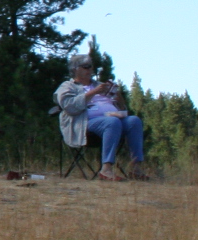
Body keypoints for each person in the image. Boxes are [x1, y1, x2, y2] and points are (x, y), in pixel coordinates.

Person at [54, 52, 146, 181]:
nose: (90, 69)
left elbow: (122, 109)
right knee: (112, 122)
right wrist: (93, 93)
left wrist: (119, 98)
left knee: (134, 121)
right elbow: (69, 106)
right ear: (75, 69)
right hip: (85, 124)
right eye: (86, 66)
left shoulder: (100, 85)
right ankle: (106, 169)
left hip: (113, 121)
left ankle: (135, 167)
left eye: (91, 66)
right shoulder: (67, 87)